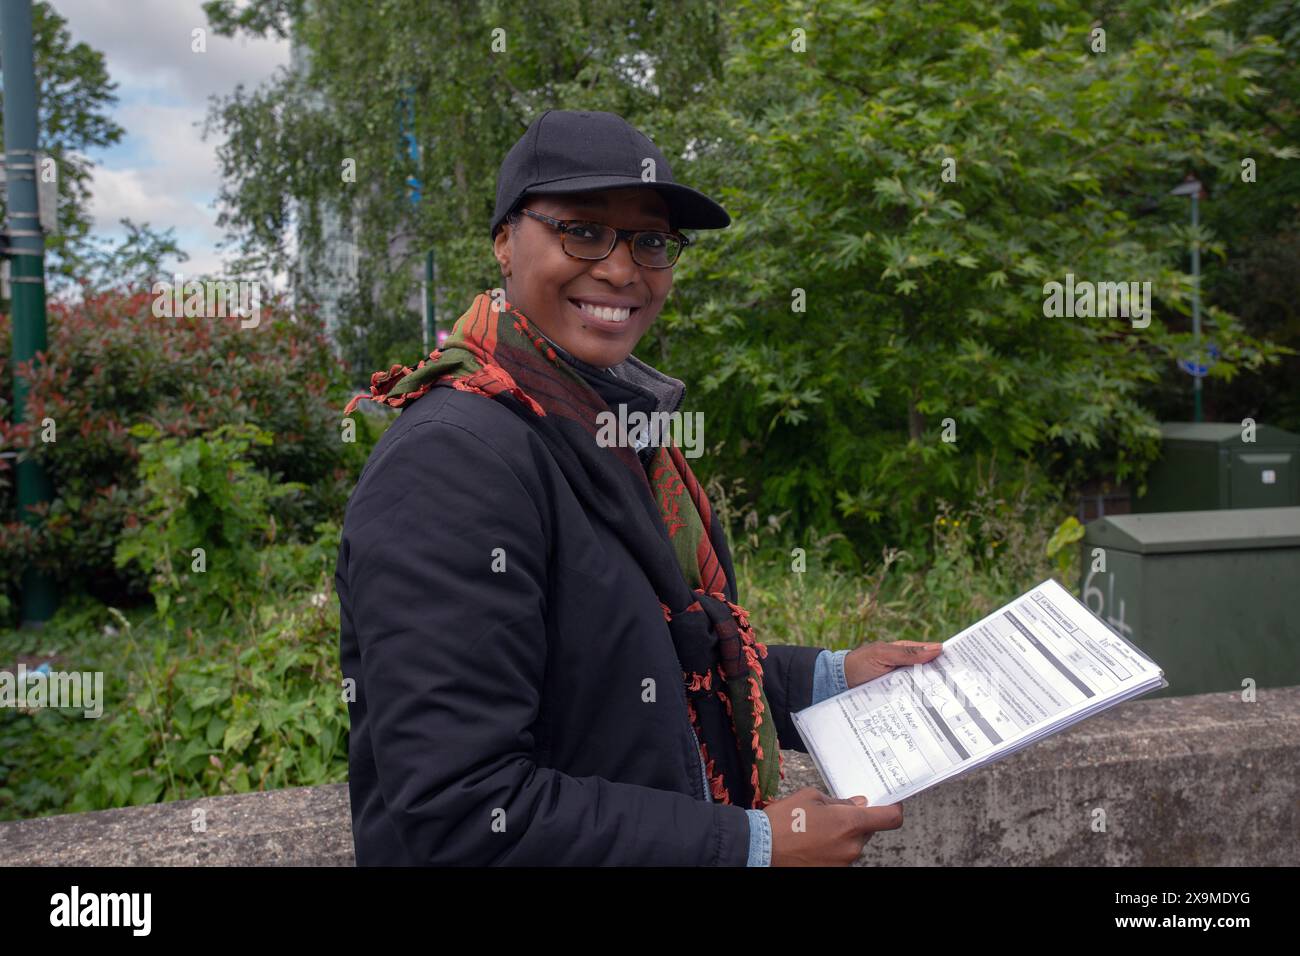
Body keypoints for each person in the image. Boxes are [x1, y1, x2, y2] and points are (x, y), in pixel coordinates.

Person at [336, 108, 943, 866]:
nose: (623, 270)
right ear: (503, 242)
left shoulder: (600, 425)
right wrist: (752, 846)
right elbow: (465, 813)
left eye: (651, 242)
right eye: (582, 230)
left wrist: (836, 677)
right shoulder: (454, 463)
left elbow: (646, 667)